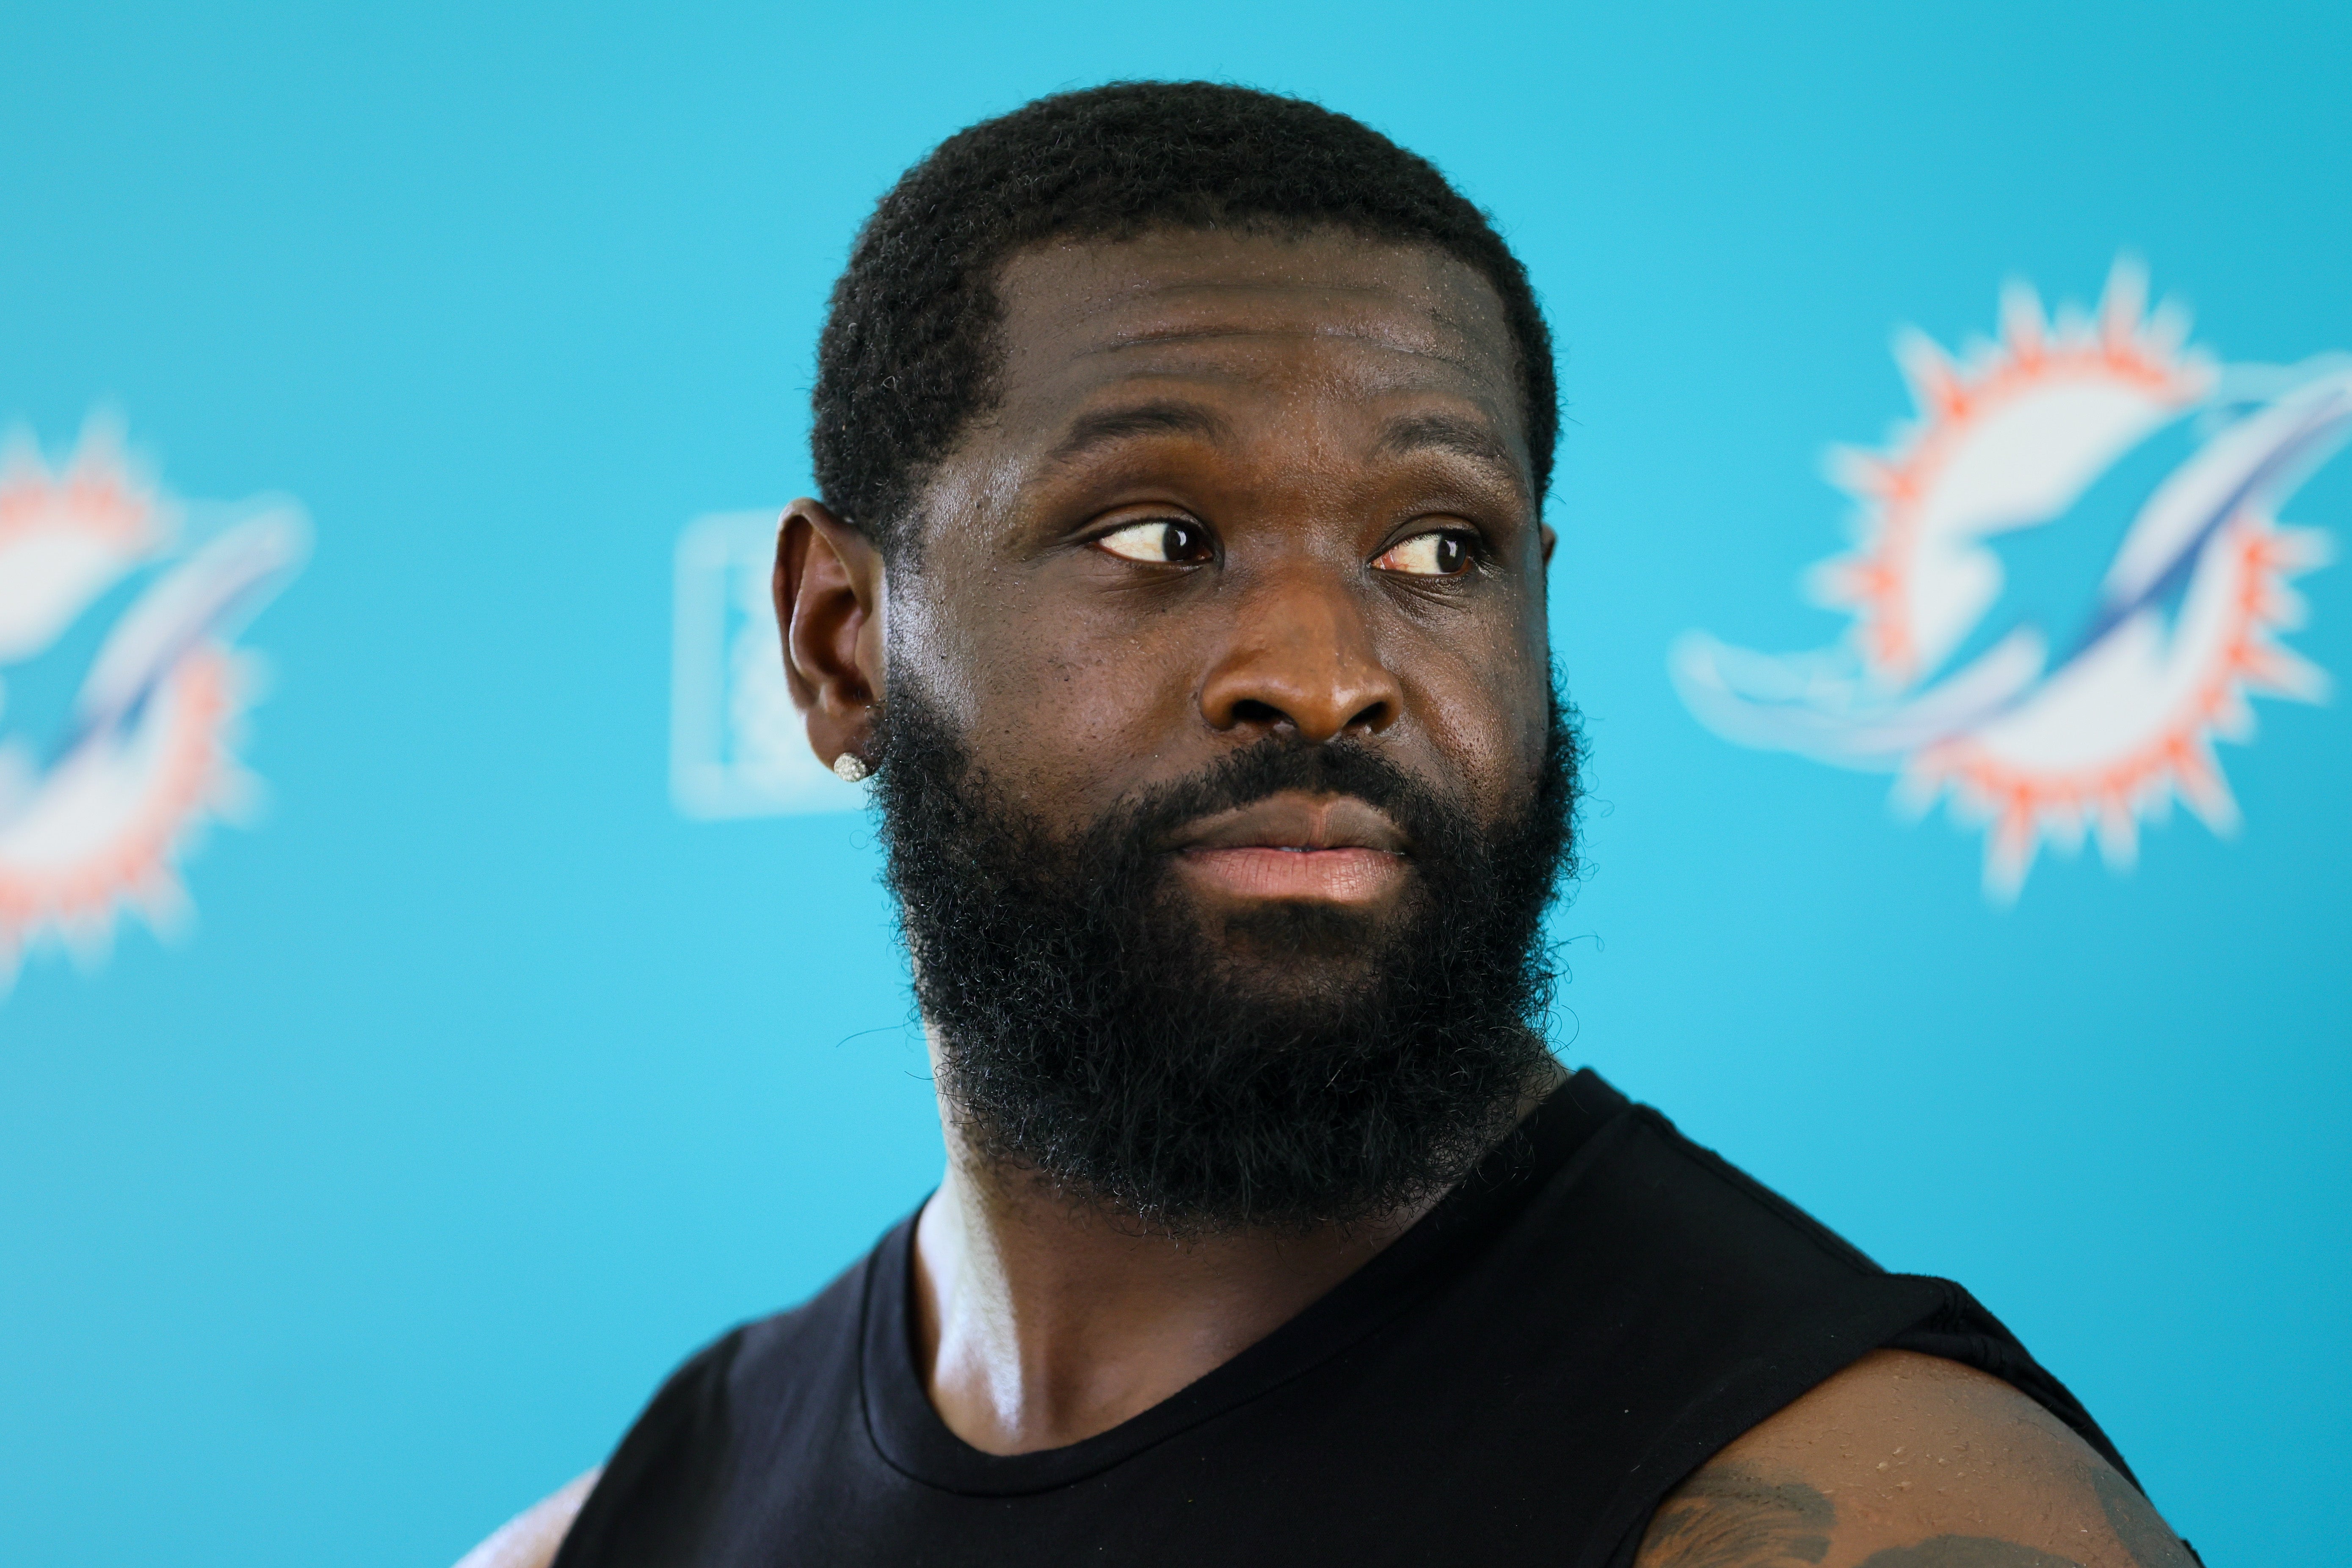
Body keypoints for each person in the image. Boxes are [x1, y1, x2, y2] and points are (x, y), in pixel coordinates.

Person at [462, 82, 2199, 1568]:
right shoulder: (625, 1528)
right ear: (844, 646)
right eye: (1157, 536)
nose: (1323, 672)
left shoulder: (1869, 1509)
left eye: (1442, 548)